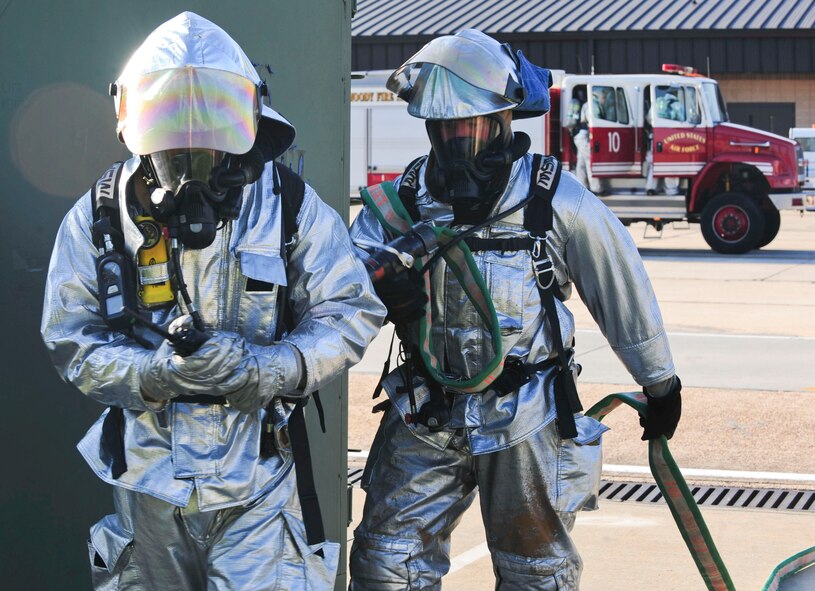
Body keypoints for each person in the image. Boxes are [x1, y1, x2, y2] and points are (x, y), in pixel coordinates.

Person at [40, 12, 386, 589]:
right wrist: (150, 373)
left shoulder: (289, 206)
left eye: (210, 130)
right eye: (173, 131)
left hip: (260, 484)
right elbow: (70, 337)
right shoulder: (100, 218)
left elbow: (351, 309)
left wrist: (270, 366)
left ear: (247, 122)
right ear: (137, 122)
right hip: (147, 487)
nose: (191, 153)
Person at [348, 29, 681, 590]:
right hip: (426, 412)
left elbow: (622, 288)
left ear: (503, 122)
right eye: (444, 126)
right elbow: (341, 297)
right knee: (385, 564)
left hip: (527, 415)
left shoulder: (555, 201)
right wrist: (381, 292)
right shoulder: (398, 205)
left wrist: (659, 382)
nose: (456, 139)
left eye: (469, 124)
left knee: (536, 574)